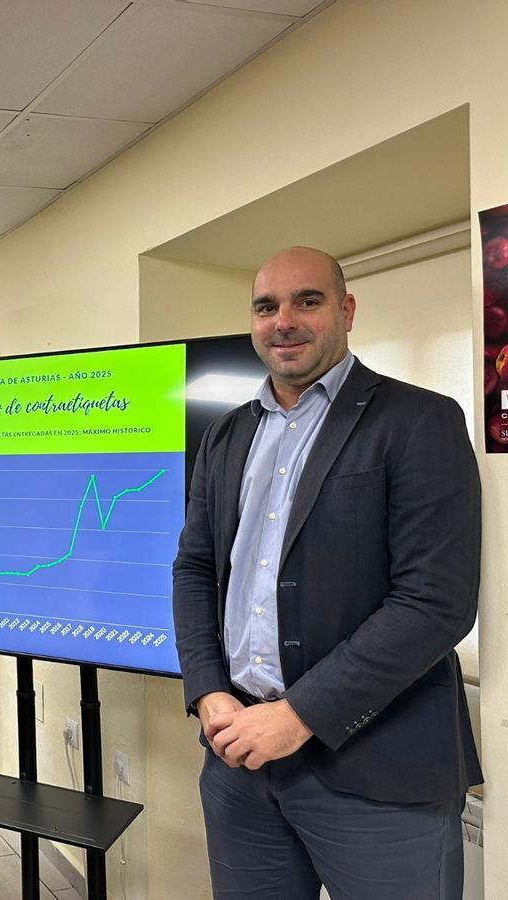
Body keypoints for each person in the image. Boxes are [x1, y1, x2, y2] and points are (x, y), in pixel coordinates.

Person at [173, 247, 481, 899]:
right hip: (240, 767)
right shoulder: (227, 436)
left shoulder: (419, 421)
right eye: (266, 306)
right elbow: (196, 569)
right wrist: (207, 691)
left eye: (306, 301)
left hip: (378, 771)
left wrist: (299, 714)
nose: (284, 320)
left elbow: (436, 603)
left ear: (345, 311)